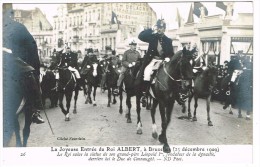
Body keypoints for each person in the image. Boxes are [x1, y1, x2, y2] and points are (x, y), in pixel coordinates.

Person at [3, 3, 44, 124]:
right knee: (31, 76)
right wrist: (35, 70)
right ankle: (33, 110)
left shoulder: (17, 28)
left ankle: (33, 110)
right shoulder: (17, 27)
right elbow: (32, 48)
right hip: (8, 58)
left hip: (8, 57)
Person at [137, 19, 174, 96]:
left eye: (161, 28)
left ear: (164, 29)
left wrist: (168, 58)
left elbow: (171, 53)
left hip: (163, 61)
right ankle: (145, 92)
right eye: (158, 27)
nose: (159, 29)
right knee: (147, 73)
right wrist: (150, 29)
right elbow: (140, 36)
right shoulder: (152, 37)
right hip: (152, 60)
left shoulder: (168, 40)